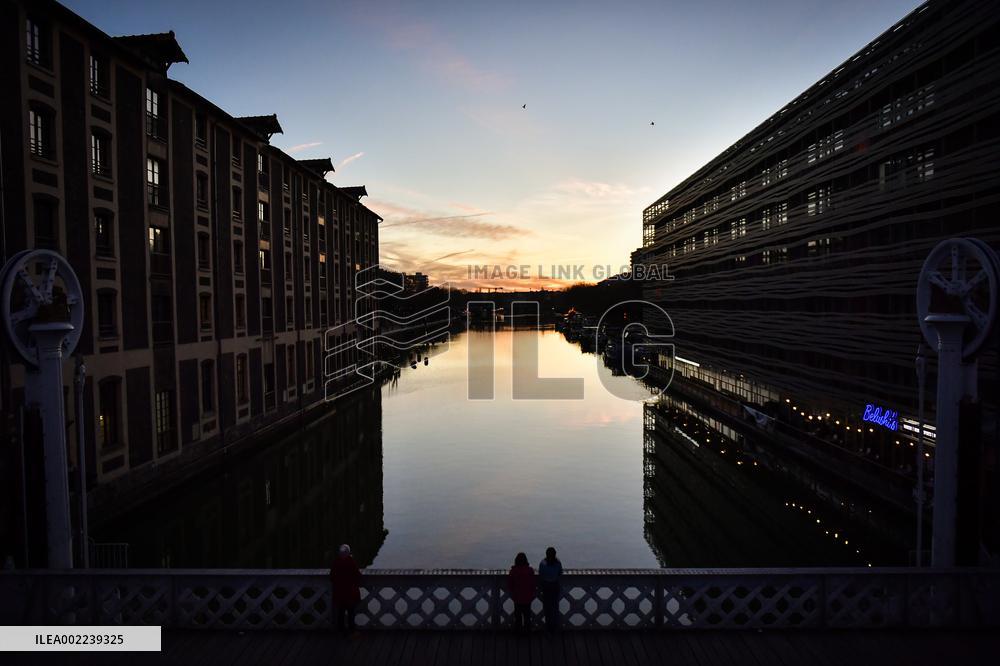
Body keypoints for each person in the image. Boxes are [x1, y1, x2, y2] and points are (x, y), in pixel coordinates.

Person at [330, 544, 362, 635]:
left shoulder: (336, 562)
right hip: (350, 593)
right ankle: (352, 630)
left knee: (341, 612)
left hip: (339, 593)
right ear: (348, 553)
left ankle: (341, 630)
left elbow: (332, 577)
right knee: (351, 613)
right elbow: (358, 575)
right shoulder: (350, 561)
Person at [507, 552, 535, 632]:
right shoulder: (530, 571)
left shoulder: (513, 571)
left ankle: (518, 632)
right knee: (527, 616)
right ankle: (527, 631)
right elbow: (533, 584)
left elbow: (510, 585)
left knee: (518, 616)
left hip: (517, 597)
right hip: (527, 597)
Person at [538, 547, 563, 630]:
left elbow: (541, 575)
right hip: (555, 586)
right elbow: (560, 573)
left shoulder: (543, 564)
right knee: (555, 606)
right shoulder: (558, 563)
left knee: (547, 607)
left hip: (546, 587)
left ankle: (548, 626)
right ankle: (555, 625)